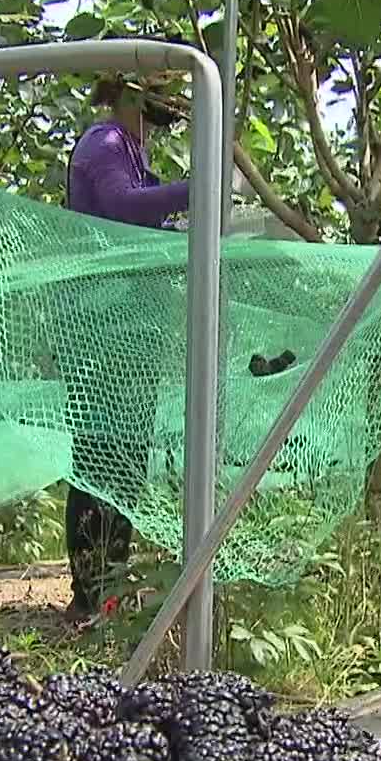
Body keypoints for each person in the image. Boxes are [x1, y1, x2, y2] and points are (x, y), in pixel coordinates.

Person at [57, 72, 255, 625]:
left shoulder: (136, 155)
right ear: (127, 95)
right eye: (154, 104)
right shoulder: (105, 143)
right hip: (100, 331)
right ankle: (91, 593)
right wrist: (202, 186)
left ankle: (109, 589)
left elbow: (144, 226)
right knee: (101, 456)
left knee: (126, 461)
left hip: (129, 331)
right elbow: (122, 210)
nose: (160, 119)